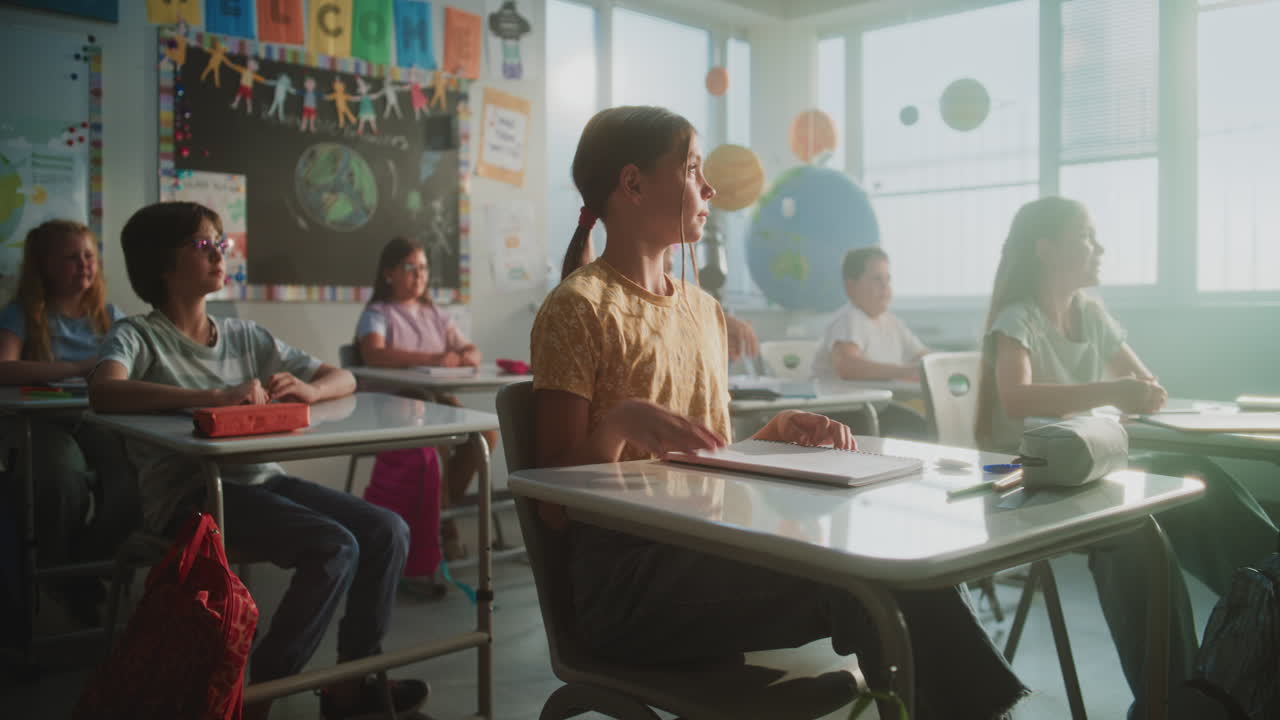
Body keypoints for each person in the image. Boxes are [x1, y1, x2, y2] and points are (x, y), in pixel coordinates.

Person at [531, 105, 1027, 719]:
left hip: (710, 552)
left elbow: (701, 465)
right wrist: (618, 427)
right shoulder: (578, 308)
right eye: (691, 168)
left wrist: (768, 437)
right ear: (633, 184)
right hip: (626, 592)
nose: (709, 187)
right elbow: (550, 503)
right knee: (862, 584)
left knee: (891, 560)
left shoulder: (703, 311)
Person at [89, 202, 428, 720]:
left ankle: (350, 685)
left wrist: (309, 391)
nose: (220, 253)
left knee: (388, 530)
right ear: (162, 264)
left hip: (261, 481)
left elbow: (345, 377)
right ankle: (262, 690)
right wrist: (216, 397)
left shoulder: (246, 336)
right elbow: (104, 391)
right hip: (192, 499)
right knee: (334, 547)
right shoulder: (138, 335)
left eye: (221, 243)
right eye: (204, 245)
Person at [974, 195, 1277, 717]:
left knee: (1197, 476)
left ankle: (1269, 591)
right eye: (1088, 236)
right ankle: (1170, 699)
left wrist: (1138, 390)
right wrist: (1110, 390)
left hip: (1098, 463)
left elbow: (1141, 383)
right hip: (1036, 475)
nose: (1100, 248)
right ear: (1047, 249)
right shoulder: (1018, 316)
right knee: (1138, 529)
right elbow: (1017, 398)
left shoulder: (1090, 313)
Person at [0, 219, 136, 625]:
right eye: (71, 258)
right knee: (62, 478)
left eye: (89, 256)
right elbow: (3, 367)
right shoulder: (23, 312)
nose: (84, 266)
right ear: (45, 266)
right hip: (41, 422)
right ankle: (62, 576)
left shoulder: (109, 315)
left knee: (131, 484)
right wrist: (77, 366)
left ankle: (82, 572)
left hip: (97, 420)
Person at [357, 237, 498, 564]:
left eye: (423, 268)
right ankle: (445, 531)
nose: (419, 275)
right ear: (389, 273)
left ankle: (439, 513)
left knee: (486, 436)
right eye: (410, 268)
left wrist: (468, 356)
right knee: (439, 439)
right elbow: (373, 353)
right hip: (391, 405)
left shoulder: (434, 313)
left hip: (434, 400)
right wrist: (437, 357)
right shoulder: (378, 312)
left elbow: (469, 349)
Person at [811, 246, 929, 438]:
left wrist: (944, 364)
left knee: (926, 422)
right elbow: (848, 367)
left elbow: (922, 356)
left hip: (874, 407)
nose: (885, 286)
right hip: (844, 412)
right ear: (851, 286)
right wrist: (907, 371)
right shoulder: (848, 319)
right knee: (922, 430)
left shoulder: (891, 322)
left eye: (887, 279)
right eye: (877, 279)